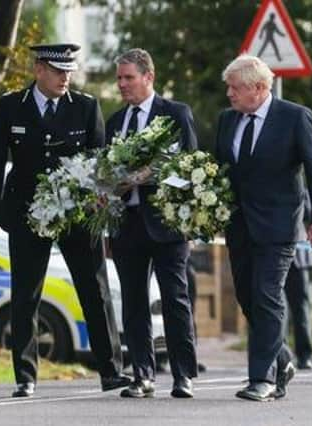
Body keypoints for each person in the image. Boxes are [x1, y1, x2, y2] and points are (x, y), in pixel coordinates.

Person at [0, 43, 131, 397]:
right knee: (25, 294)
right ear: (39, 71)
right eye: (59, 71)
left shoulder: (86, 107)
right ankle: (26, 376)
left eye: (69, 72)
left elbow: (99, 163)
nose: (66, 78)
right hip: (27, 213)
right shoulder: (9, 107)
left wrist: (100, 203)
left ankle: (110, 370)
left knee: (94, 290)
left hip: (77, 213)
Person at [215, 55, 312, 402]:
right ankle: (282, 359)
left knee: (267, 295)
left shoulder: (294, 117)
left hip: (279, 225)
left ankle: (262, 379)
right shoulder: (227, 120)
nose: (229, 94)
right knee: (248, 297)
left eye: (235, 88)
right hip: (238, 225)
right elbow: (217, 169)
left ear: (259, 88)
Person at [106, 48, 198, 398]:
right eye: (119, 79)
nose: (122, 85)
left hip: (167, 226)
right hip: (126, 225)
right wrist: (110, 184)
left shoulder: (175, 114)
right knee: (133, 302)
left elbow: (189, 165)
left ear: (149, 77)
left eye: (128, 78)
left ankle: (182, 375)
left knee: (175, 299)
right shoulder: (115, 122)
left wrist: (149, 174)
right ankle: (141, 375)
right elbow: (105, 169)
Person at [285, 193, 312, 370]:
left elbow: (310, 214)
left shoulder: (301, 189)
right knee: (278, 307)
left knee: (301, 306)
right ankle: (281, 353)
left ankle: (304, 355)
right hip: (273, 250)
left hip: (299, 256)